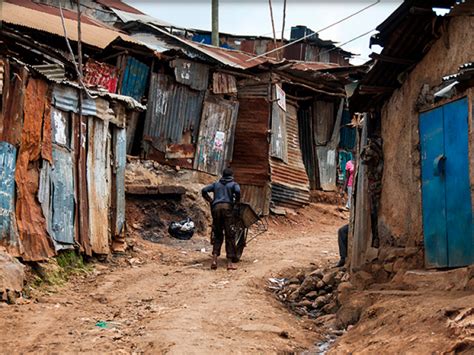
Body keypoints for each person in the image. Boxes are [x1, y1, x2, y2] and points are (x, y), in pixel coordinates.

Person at [202, 167, 241, 270]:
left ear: (223, 175)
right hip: (228, 209)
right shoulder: (233, 184)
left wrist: (210, 201)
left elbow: (204, 190)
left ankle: (214, 260)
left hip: (216, 209)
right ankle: (229, 263)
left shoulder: (216, 184)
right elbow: (237, 191)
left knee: (218, 234)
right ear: (231, 176)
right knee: (230, 235)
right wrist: (236, 202)